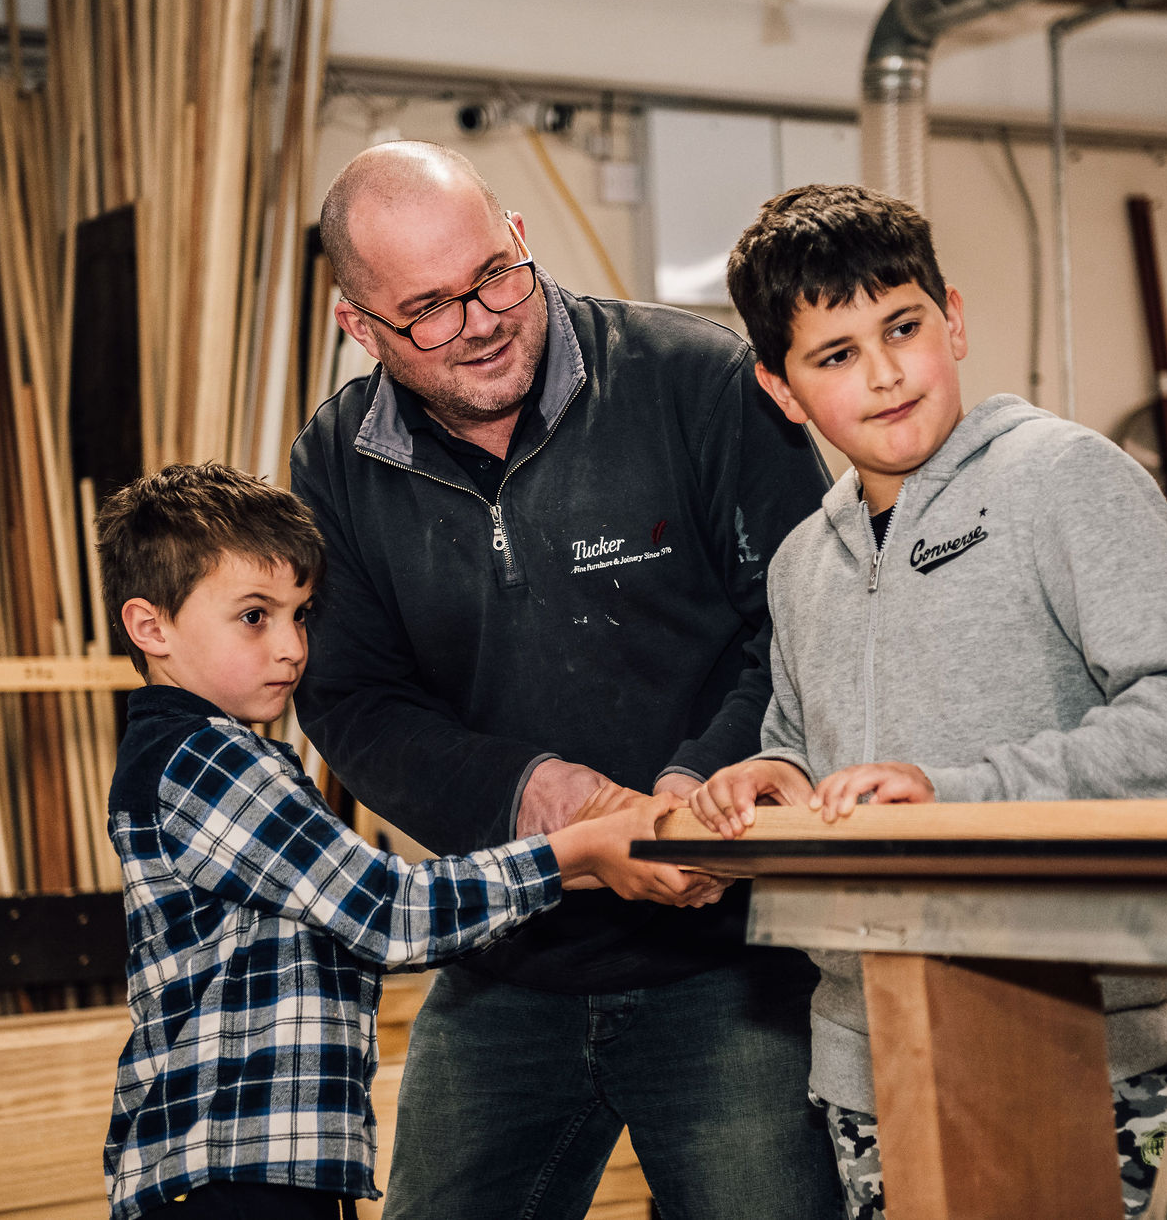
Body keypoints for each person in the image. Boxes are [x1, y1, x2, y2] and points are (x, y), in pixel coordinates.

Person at [290, 142, 842, 1220]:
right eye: (429, 311)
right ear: (360, 330)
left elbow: (801, 627)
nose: (483, 319)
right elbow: (353, 702)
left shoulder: (695, 381)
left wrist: (693, 795)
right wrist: (561, 809)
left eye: (495, 274)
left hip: (730, 957)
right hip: (507, 956)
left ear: (522, 239)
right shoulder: (335, 466)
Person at [689, 184, 1167, 1220]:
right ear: (781, 390)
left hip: (1077, 1050)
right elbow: (801, 748)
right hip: (867, 1067)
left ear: (949, 316)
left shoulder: (1061, 479)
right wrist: (770, 780)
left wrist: (952, 795)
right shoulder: (798, 564)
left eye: (901, 328)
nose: (882, 372)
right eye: (833, 356)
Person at [95, 462, 689, 1220]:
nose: (291, 648)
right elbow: (386, 912)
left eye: (301, 615)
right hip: (231, 1178)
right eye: (254, 616)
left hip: (256, 1171)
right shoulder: (207, 760)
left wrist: (596, 859)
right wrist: (579, 852)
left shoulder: (199, 755)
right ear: (151, 627)